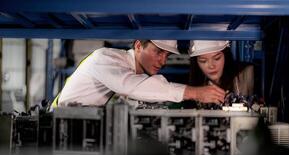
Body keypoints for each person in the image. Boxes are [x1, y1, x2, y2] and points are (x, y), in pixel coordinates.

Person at [51, 40, 225, 108]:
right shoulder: (105, 57)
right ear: (138, 46)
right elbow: (132, 87)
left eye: (167, 55)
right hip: (59, 129)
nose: (163, 61)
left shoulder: (131, 71)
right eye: (158, 52)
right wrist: (195, 92)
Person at [189, 40, 254, 100]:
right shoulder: (191, 85)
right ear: (196, 63)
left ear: (226, 56)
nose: (211, 66)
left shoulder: (246, 74)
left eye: (217, 58)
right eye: (203, 61)